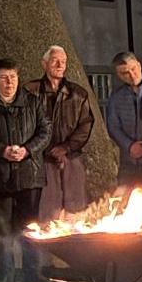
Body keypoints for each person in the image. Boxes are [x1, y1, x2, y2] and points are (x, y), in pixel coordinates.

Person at [0, 58, 50, 282]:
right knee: (2, 226)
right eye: (4, 78)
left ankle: (32, 271)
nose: (9, 82)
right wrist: (1, 150)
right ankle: (5, 273)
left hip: (29, 173)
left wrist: (27, 150)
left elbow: (45, 131)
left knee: (30, 224)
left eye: (13, 77)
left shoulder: (32, 102)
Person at [29, 45, 94, 233]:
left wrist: (66, 148)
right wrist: (44, 148)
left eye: (63, 62)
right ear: (44, 64)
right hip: (42, 159)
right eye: (55, 61)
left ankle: (76, 248)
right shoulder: (31, 91)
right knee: (47, 212)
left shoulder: (78, 93)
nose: (60, 65)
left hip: (71, 157)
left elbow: (86, 124)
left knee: (76, 209)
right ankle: (48, 250)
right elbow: (27, 125)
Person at [105, 50, 142, 190]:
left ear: (139, 65)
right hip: (128, 162)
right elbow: (113, 126)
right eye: (125, 73)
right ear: (119, 75)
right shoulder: (117, 97)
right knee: (123, 200)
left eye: (133, 69)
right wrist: (129, 145)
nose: (131, 75)